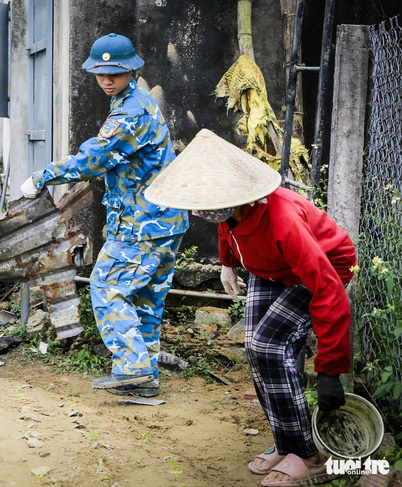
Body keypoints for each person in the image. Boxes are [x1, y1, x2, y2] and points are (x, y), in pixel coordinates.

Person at [145, 128, 355, 487]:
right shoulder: (229, 211)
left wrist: (330, 370)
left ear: (241, 195)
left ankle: (310, 456)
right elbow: (228, 228)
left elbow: (328, 290)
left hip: (323, 268)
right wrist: (227, 262)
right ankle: (287, 440)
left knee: (268, 346)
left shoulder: (283, 220)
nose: (203, 211)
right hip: (270, 267)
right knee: (253, 346)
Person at [20, 33, 189, 397]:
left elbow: (93, 160)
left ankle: (133, 369)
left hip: (143, 223)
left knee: (107, 284)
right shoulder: (135, 100)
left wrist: (42, 177)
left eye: (115, 72)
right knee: (143, 299)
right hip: (163, 220)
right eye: (100, 73)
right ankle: (144, 380)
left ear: (131, 69)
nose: (107, 79)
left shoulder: (129, 113)